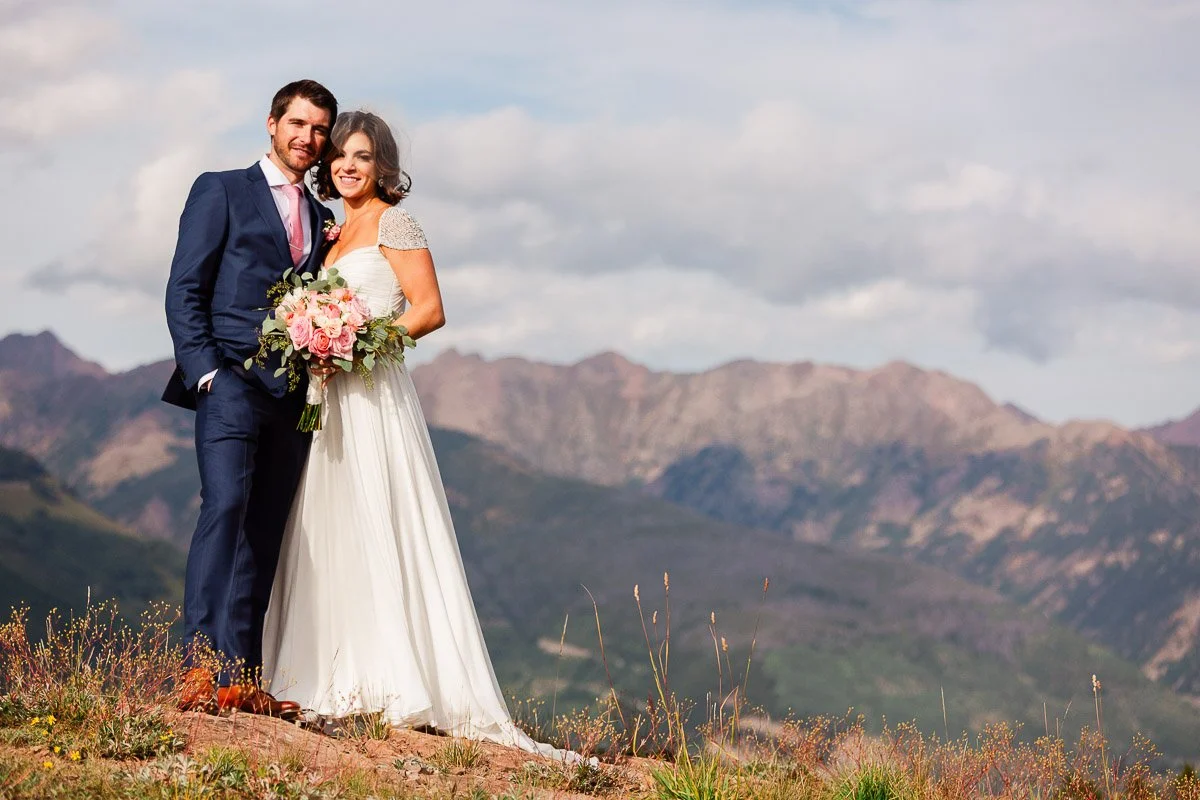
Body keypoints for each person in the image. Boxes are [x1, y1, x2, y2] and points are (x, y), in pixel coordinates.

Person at [260, 111, 566, 757]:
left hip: (371, 392)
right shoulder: (329, 231)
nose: (348, 165)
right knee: (327, 526)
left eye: (363, 156)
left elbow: (429, 310)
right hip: (327, 398)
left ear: (382, 166)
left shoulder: (394, 223)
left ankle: (395, 682)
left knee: (377, 519)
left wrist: (354, 341)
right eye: (340, 154)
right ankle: (323, 678)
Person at [164, 79, 338, 717]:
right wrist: (206, 371)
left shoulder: (323, 220)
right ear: (271, 124)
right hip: (230, 382)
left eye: (319, 130)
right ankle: (199, 670)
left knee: (264, 530)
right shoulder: (221, 189)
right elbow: (185, 286)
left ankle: (240, 678)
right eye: (298, 124)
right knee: (226, 506)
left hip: (292, 394)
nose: (308, 139)